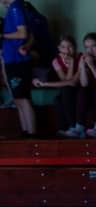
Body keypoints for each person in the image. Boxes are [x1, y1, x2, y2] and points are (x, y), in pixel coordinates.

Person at [1, 0, 36, 137]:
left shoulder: (16, 7)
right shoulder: (13, 8)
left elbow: (23, 34)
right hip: (12, 60)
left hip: (18, 61)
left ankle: (32, 134)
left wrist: (2, 35)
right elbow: (30, 35)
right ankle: (26, 132)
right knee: (18, 99)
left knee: (22, 98)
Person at [32, 34, 78, 136]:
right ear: (58, 48)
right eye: (63, 47)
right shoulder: (56, 61)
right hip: (67, 88)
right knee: (58, 99)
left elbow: (71, 82)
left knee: (66, 91)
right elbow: (64, 80)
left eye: (70, 47)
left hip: (80, 88)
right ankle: (62, 129)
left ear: (74, 47)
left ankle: (73, 127)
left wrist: (72, 64)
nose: (67, 50)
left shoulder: (79, 58)